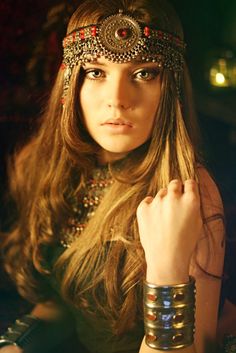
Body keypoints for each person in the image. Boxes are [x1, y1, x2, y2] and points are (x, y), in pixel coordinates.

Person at [0, 0, 225, 352]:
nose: (117, 100)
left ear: (172, 91)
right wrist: (17, 345)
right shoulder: (50, 169)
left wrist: (168, 269)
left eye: (144, 73)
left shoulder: (186, 195)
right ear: (70, 84)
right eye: (96, 72)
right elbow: (62, 305)